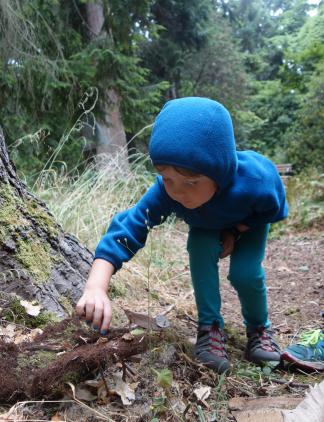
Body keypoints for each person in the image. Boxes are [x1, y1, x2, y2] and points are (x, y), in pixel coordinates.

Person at [76, 97, 288, 374]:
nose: (179, 192)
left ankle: (259, 328)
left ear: (221, 171)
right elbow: (128, 228)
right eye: (167, 178)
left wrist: (235, 231)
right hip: (204, 224)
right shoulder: (167, 191)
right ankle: (210, 328)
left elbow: (272, 209)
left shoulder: (256, 182)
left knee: (244, 273)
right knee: (200, 250)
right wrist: (95, 287)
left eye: (191, 182)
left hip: (248, 224)